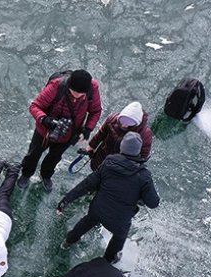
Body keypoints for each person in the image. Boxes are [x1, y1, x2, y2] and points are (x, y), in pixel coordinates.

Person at [57, 132, 160, 263]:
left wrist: (66, 200)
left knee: (88, 221)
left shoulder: (109, 162)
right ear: (138, 151)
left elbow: (87, 184)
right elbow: (153, 203)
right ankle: (108, 259)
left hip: (98, 209)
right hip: (119, 220)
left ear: (122, 148)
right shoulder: (144, 176)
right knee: (119, 237)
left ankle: (68, 241)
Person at [18, 69, 103, 192]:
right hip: (45, 131)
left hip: (69, 133)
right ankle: (26, 173)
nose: (77, 96)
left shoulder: (92, 88)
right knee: (34, 154)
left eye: (81, 94)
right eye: (74, 92)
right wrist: (44, 119)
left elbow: (95, 111)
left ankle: (46, 175)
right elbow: (35, 106)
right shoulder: (57, 86)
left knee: (55, 156)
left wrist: (88, 129)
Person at [82, 101, 154, 171]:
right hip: (102, 156)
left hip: (121, 167)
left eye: (129, 124)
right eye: (122, 121)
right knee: (96, 171)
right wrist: (91, 146)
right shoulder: (112, 119)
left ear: (136, 123)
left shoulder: (145, 135)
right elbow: (101, 134)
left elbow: (143, 156)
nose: (124, 125)